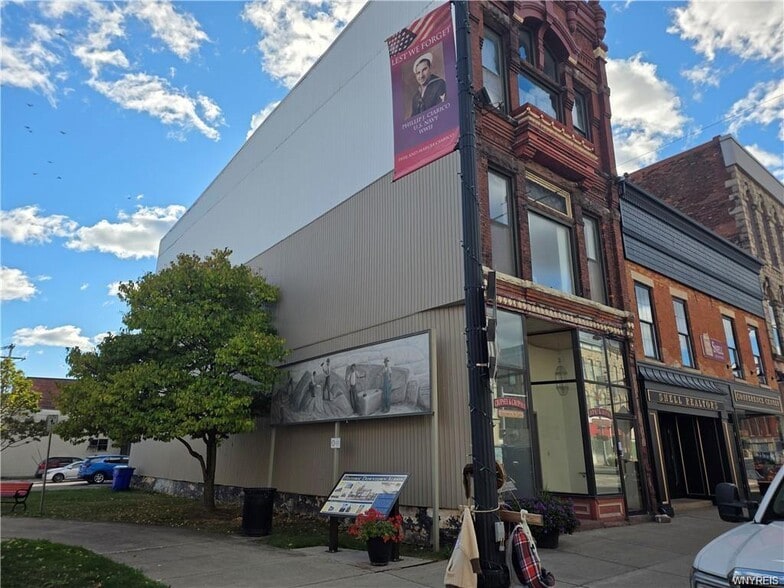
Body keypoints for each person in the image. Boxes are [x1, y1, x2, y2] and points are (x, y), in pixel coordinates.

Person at [410, 53, 446, 117]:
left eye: (424, 70)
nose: (421, 76)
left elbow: (443, 112)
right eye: (418, 73)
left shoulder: (439, 84)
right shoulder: (415, 98)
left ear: (430, 68)